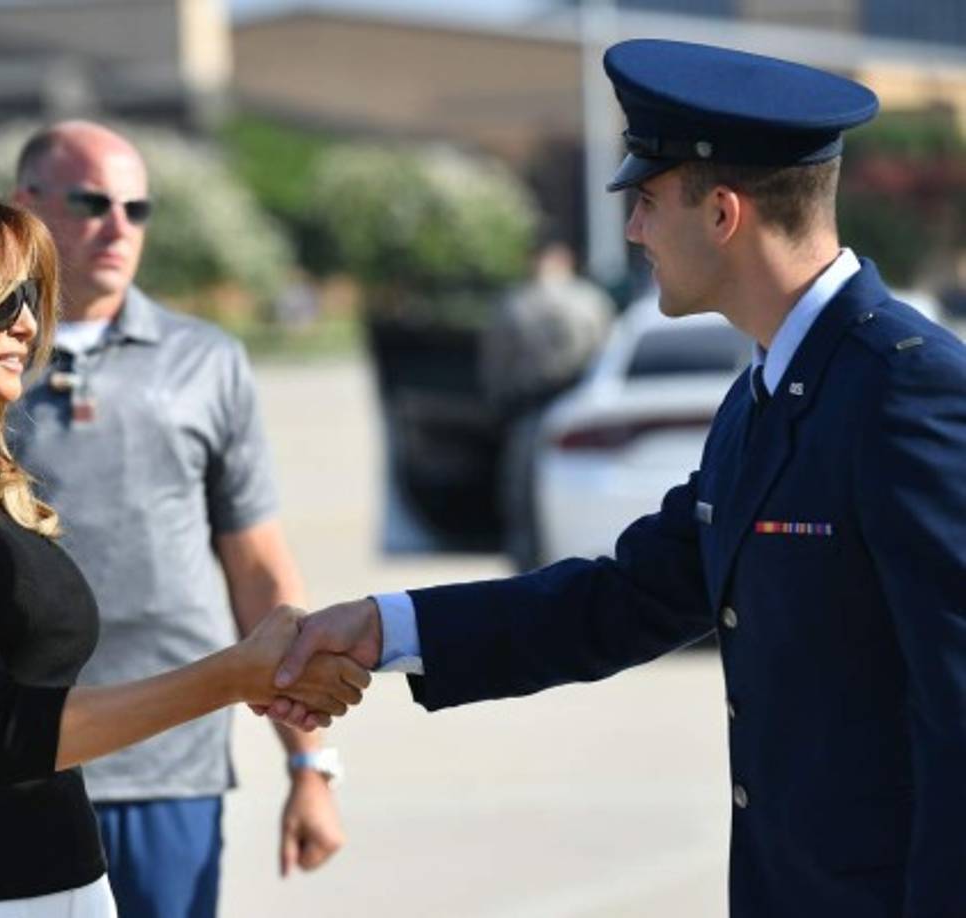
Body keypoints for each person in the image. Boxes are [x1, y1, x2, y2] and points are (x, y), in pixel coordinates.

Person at [268, 39, 966, 916]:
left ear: (721, 214)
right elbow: (630, 597)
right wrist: (385, 628)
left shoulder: (907, 389)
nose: (632, 230)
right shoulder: (765, 390)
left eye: (644, 200)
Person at [0, 180, 366, 917]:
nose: (27, 325)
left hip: (63, 883)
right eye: (0, 300)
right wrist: (232, 677)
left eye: (29, 296)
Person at [4, 121, 346, 918]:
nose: (119, 227)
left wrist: (310, 767)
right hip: (13, 761)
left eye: (137, 207)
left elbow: (258, 567)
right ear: (27, 206)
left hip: (171, 765)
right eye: (92, 202)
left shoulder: (207, 361)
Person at [480, 238, 614, 570]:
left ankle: (527, 578)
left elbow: (496, 366)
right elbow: (608, 358)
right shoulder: (593, 301)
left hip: (528, 414)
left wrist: (498, 411)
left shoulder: (514, 304)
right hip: (585, 417)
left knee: (524, 503)